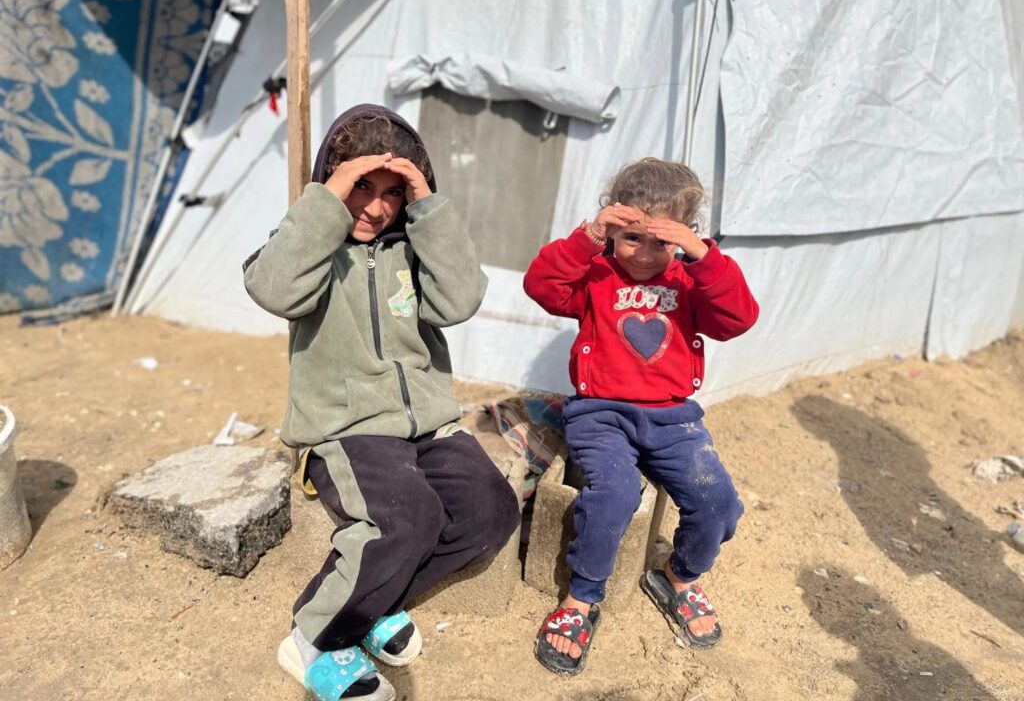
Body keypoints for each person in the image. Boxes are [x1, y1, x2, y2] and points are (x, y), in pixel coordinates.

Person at [244, 104, 520, 701]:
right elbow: (273, 290)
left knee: (490, 513)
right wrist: (326, 199)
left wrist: (427, 205)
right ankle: (316, 638)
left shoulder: (414, 251)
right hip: (348, 428)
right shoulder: (304, 249)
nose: (375, 206)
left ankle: (376, 602)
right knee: (405, 518)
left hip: (426, 420)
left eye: (394, 192)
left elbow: (460, 301)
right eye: (360, 185)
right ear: (331, 180)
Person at [523, 158, 759, 676]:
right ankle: (582, 599)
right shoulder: (596, 274)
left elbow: (739, 318)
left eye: (661, 242)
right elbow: (540, 286)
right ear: (613, 231)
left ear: (682, 238)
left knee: (718, 501)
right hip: (601, 413)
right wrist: (588, 238)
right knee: (614, 493)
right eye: (632, 239)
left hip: (674, 418)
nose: (646, 255)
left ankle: (679, 577)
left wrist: (703, 256)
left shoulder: (692, 280)